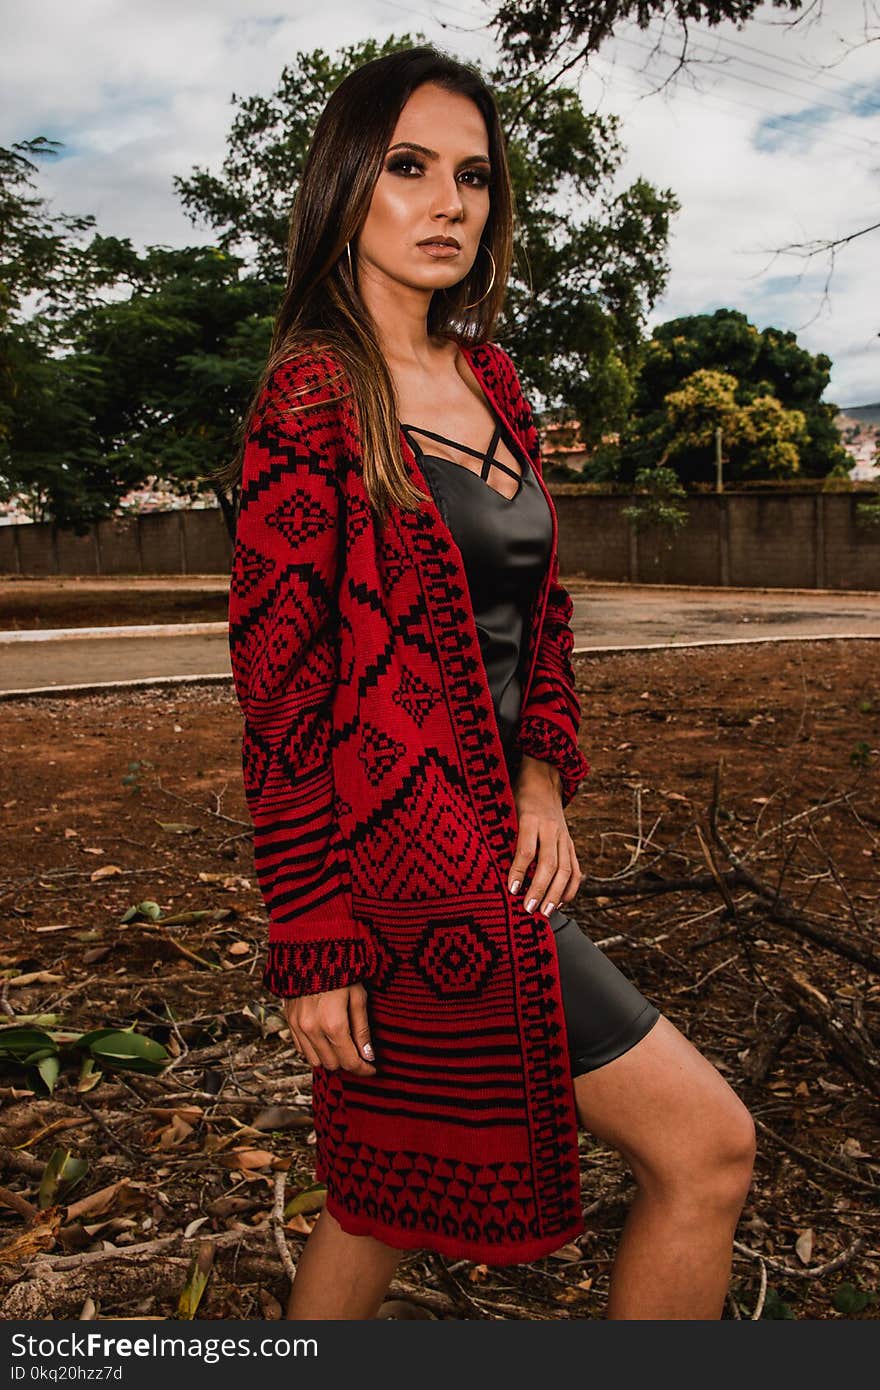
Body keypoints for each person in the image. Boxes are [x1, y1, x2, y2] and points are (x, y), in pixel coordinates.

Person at [225, 45, 756, 1321]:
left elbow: (544, 614)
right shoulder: (311, 400)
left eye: (471, 174)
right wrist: (308, 937)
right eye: (408, 166)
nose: (446, 202)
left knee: (377, 1194)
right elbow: (280, 698)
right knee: (709, 1147)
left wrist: (541, 778)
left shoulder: (493, 380)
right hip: (410, 874)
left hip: (497, 847)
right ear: (346, 184)